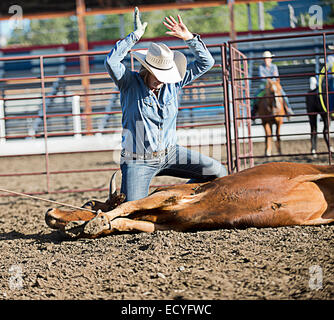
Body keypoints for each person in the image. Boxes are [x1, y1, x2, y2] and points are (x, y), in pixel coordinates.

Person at [104, 7, 227, 202]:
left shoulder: (175, 81)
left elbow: (207, 62)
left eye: (164, 75)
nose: (161, 80)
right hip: (138, 159)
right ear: (147, 69)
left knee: (218, 172)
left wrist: (189, 38)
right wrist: (134, 36)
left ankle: (175, 198)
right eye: (158, 75)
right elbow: (111, 61)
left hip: (171, 153)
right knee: (132, 209)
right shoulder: (129, 83)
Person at [251, 50, 293, 119]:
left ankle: (288, 109)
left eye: (267, 58)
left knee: (283, 94)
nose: (266, 60)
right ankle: (253, 112)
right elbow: (262, 77)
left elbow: (276, 76)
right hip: (265, 85)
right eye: (265, 58)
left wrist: (269, 79)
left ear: (270, 59)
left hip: (274, 84)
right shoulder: (261, 67)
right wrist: (269, 79)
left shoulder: (274, 66)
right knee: (256, 95)